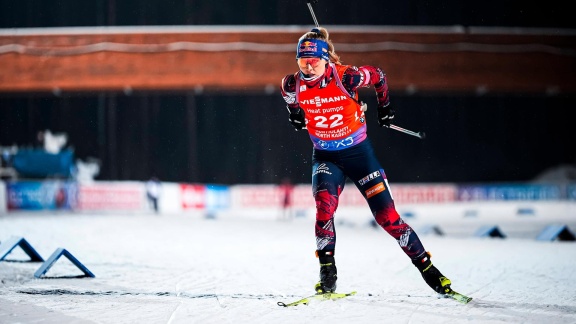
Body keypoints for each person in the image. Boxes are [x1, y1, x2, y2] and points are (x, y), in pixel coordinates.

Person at [280, 27, 456, 296]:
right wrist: (294, 116)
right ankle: (327, 273)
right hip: (326, 156)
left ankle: (429, 270)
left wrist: (384, 107)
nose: (308, 66)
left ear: (326, 59)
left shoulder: (347, 76)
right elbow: (292, 104)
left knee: (387, 217)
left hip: (359, 156)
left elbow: (379, 76)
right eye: (302, 61)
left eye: (313, 60)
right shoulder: (291, 84)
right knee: (324, 207)